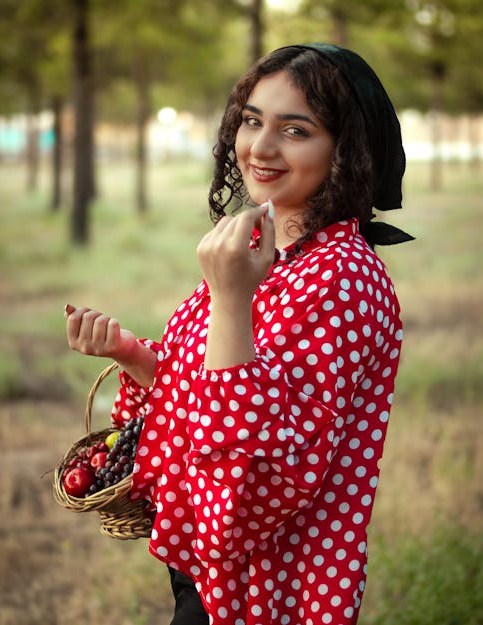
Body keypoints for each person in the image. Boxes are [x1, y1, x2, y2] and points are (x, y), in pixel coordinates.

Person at [65, 43, 413, 625]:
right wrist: (132, 354)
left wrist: (229, 297)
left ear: (346, 150)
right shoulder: (272, 253)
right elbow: (210, 396)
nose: (261, 147)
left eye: (295, 130)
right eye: (252, 121)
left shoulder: (343, 279)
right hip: (208, 572)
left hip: (270, 586)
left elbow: (248, 490)